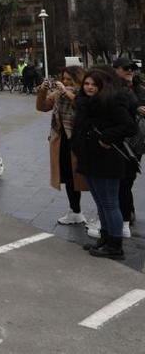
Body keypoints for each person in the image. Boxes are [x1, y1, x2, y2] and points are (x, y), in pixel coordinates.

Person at [73, 69, 137, 259]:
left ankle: (116, 246)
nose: (89, 87)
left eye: (94, 84)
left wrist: (107, 138)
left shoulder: (111, 101)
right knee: (100, 202)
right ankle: (106, 238)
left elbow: (129, 126)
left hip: (107, 159)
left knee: (110, 203)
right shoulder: (84, 103)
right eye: (86, 84)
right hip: (90, 158)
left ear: (102, 86)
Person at [37, 66, 87, 224]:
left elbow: (84, 107)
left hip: (80, 140)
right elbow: (42, 106)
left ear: (78, 79)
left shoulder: (85, 93)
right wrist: (43, 91)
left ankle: (106, 216)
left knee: (87, 179)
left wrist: (66, 92)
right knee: (69, 177)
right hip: (63, 140)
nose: (65, 82)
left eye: (69, 79)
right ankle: (75, 211)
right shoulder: (58, 94)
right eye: (63, 78)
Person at [112, 57, 145, 238]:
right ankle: (125, 214)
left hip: (135, 142)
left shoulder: (139, 88)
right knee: (120, 180)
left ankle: (125, 217)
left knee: (126, 180)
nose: (130, 71)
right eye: (126, 68)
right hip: (116, 140)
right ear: (115, 69)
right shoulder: (111, 87)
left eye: (132, 68)